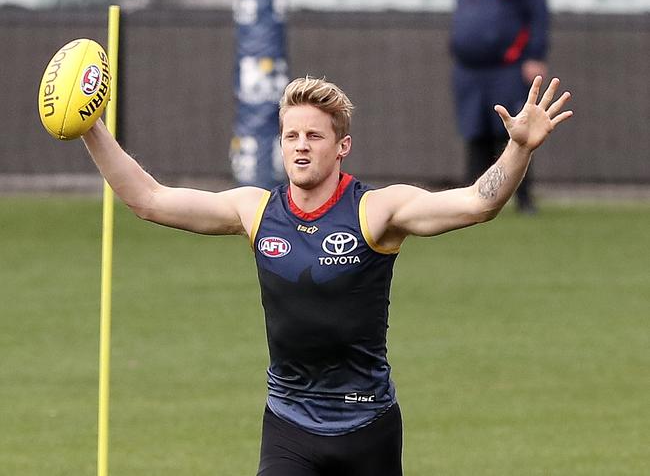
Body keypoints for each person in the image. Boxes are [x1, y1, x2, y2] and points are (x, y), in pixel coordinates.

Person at [81, 75, 572, 475]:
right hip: (289, 426)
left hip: (368, 428)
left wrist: (519, 149)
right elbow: (148, 200)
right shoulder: (255, 211)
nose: (300, 146)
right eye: (291, 136)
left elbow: (477, 203)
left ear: (342, 146)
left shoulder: (377, 211)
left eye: (314, 136)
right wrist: (90, 127)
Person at [451, 0, 550, 214]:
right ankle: (473, 198)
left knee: (514, 132)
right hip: (469, 69)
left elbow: (537, 14)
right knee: (476, 133)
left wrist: (536, 54)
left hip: (508, 67)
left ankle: (523, 198)